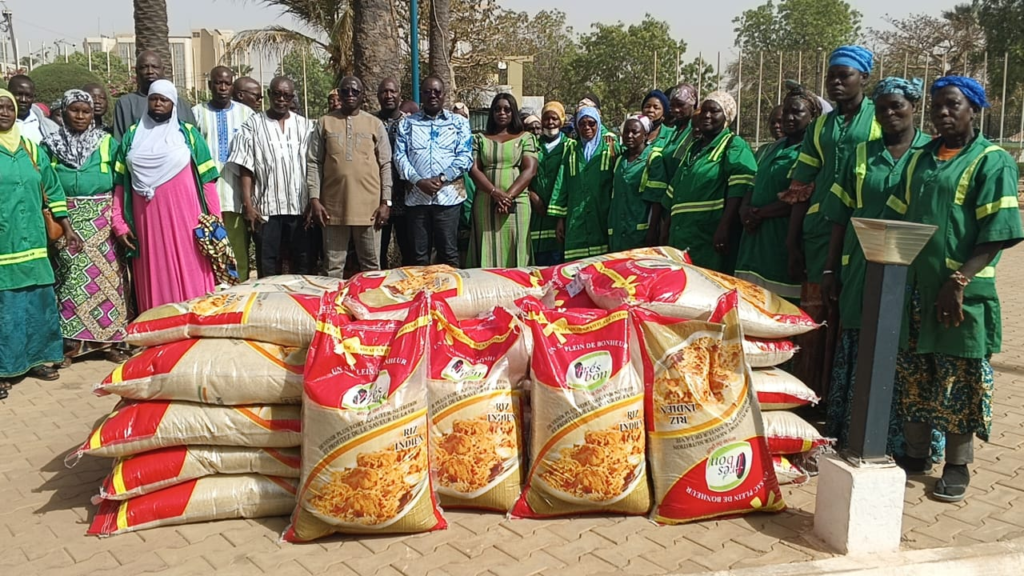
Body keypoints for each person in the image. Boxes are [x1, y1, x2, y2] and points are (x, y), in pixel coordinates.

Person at [885, 76, 1023, 502]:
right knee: (916, 373)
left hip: (962, 295)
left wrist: (958, 281)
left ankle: (957, 464)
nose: (943, 113)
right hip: (917, 289)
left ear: (973, 110)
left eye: (953, 105)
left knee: (959, 378)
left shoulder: (991, 161)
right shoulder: (920, 158)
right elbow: (898, 217)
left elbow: (999, 231)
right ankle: (915, 454)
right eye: (937, 107)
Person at [819, 77, 934, 458]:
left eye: (897, 106)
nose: (889, 114)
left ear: (913, 106)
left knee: (906, 344)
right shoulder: (862, 155)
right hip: (861, 262)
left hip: (913, 266)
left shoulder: (930, 153)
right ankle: (855, 431)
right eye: (882, 108)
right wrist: (830, 269)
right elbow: (839, 216)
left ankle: (910, 444)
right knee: (862, 337)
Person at [781, 45, 881, 398]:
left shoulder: (879, 118)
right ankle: (811, 393)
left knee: (852, 311)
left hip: (864, 229)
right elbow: (802, 184)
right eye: (831, 76)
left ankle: (846, 397)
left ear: (863, 78)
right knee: (816, 313)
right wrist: (792, 240)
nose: (836, 82)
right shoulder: (821, 126)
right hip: (820, 229)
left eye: (844, 75)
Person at [112, 79, 221, 312]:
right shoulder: (132, 136)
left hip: (187, 221)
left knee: (190, 271)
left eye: (164, 100)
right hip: (146, 223)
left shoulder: (188, 134)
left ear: (173, 104)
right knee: (154, 272)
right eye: (153, 99)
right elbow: (120, 183)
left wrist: (215, 221)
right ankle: (158, 324)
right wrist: (118, 222)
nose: (158, 103)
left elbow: (208, 180)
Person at [0, 89, 81, 393]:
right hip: (4, 244)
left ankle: (37, 360)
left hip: (34, 243)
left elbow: (53, 189)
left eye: (8, 107)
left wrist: (66, 227)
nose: (4, 112)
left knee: (38, 303)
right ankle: (4, 368)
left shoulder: (31, 149)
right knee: (6, 308)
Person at [41, 89, 129, 365]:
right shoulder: (49, 145)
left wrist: (119, 220)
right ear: (63, 112)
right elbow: (46, 184)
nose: (80, 116)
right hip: (65, 220)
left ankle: (109, 343)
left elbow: (120, 183)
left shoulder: (107, 142)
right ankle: (70, 347)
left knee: (108, 282)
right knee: (69, 284)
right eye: (74, 110)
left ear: (93, 114)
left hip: (103, 222)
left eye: (86, 111)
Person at [735, 86, 823, 303]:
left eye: (797, 112)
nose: (788, 118)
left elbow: (800, 196)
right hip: (754, 236)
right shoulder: (772, 148)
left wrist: (759, 213)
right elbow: (754, 184)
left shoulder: (811, 151)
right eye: (786, 112)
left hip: (782, 234)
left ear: (812, 117)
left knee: (779, 303)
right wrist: (744, 210)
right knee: (749, 299)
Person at [228, 77, 315, 277]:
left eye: (287, 95)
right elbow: (245, 167)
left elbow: (313, 166)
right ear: (269, 94)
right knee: (268, 267)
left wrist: (313, 200)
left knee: (302, 266)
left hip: (300, 209)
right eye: (277, 94)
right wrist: (248, 205)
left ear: (292, 97)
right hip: (266, 210)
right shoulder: (252, 125)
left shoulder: (306, 126)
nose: (281, 99)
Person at [662, 91, 757, 274]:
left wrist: (724, 226)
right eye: (704, 110)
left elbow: (740, 188)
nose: (706, 115)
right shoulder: (693, 148)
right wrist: (666, 229)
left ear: (726, 117)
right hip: (682, 235)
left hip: (708, 236)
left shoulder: (733, 145)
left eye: (714, 111)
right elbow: (675, 191)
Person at [307, 76, 393, 276]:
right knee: (332, 267)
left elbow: (385, 164)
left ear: (363, 95)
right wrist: (314, 199)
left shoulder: (375, 124)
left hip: (370, 209)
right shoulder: (325, 123)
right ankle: (334, 299)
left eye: (355, 91)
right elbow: (314, 162)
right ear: (339, 94)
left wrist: (385, 202)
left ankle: (369, 298)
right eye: (345, 91)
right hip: (333, 209)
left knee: (371, 267)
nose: (350, 95)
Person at [393, 76, 474, 267]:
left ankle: (449, 288)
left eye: (437, 92)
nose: (432, 95)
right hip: (417, 199)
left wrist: (442, 178)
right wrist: (418, 180)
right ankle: (422, 288)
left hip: (448, 198)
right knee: (418, 257)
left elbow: (465, 156)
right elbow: (399, 156)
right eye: (428, 92)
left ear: (444, 95)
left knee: (448, 254)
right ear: (421, 95)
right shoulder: (407, 124)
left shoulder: (458, 123)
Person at [192, 66, 255, 281]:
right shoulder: (197, 113)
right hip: (205, 195)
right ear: (210, 85)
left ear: (232, 86)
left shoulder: (246, 114)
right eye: (218, 83)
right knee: (209, 247)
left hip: (237, 194)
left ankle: (240, 290)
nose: (222, 87)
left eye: (227, 83)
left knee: (238, 249)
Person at [466, 93, 538, 268]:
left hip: (517, 203)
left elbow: (530, 170)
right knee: (486, 246)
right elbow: (474, 170)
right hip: (486, 202)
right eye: (497, 109)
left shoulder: (525, 138)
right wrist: (495, 193)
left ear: (514, 112)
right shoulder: (479, 139)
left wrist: (507, 197)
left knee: (517, 245)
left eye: (507, 109)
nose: (502, 113)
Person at [549, 106, 616, 260]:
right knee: (575, 265)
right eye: (582, 124)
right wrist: (560, 219)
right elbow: (562, 184)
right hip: (576, 218)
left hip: (602, 216)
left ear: (598, 124)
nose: (587, 127)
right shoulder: (571, 151)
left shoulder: (610, 148)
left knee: (601, 265)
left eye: (591, 123)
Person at [608, 115, 667, 252]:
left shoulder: (653, 159)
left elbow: (656, 200)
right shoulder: (620, 160)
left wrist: (652, 230)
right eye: (626, 132)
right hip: (617, 231)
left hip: (639, 230)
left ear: (645, 135)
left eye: (634, 132)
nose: (629, 136)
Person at [114, 51, 196, 141]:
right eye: (144, 67)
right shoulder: (125, 104)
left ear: (163, 70)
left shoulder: (182, 105)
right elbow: (119, 142)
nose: (150, 71)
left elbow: (193, 140)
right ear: (137, 71)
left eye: (155, 67)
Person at [529, 101, 569, 266]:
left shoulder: (569, 147)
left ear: (562, 121)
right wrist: (532, 195)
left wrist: (561, 216)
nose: (550, 122)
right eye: (546, 118)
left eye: (555, 118)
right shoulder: (532, 145)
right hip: (535, 214)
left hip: (558, 215)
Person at [376, 78, 411, 267]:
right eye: (384, 92)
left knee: (409, 251)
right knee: (377, 253)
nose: (388, 96)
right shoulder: (370, 122)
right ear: (378, 96)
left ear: (400, 95)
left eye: (392, 91)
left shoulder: (410, 123)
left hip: (406, 197)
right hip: (378, 198)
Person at [662, 83, 699, 181]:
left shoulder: (697, 129)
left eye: (681, 105)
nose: (675, 110)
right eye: (672, 105)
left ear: (693, 103)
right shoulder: (676, 128)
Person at [7, 75, 59, 144]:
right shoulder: (3, 122)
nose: (23, 100)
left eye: (28, 96)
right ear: (8, 93)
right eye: (19, 94)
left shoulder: (50, 127)